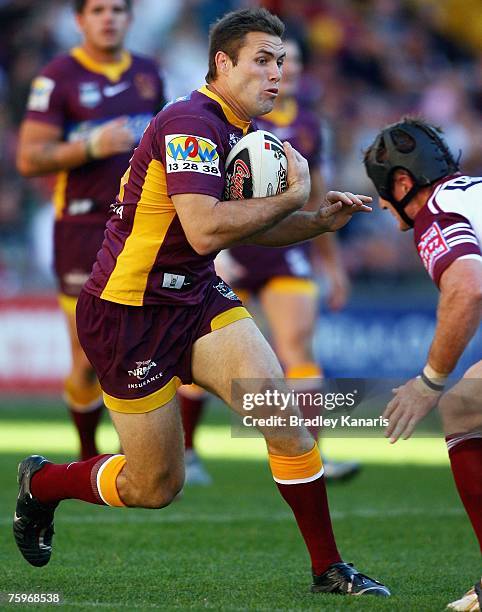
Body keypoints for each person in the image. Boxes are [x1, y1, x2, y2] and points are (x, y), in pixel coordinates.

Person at [13, 8, 390, 598]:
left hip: (196, 298)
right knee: (155, 485)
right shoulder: (190, 121)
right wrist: (292, 194)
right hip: (127, 312)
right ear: (223, 62)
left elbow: (238, 229)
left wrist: (315, 220)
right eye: (262, 61)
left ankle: (329, 569)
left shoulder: (241, 132)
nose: (275, 75)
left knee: (283, 421)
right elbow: (207, 229)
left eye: (280, 62)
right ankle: (44, 483)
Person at [179, 35, 359, 484]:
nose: (283, 70)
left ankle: (313, 452)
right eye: (273, 61)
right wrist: (217, 253)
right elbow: (202, 197)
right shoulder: (226, 121)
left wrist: (332, 265)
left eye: (288, 61)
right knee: (194, 353)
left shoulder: (313, 127)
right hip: (230, 246)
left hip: (285, 250)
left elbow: (318, 199)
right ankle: (184, 451)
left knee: (297, 345)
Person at [16, 0, 165, 460]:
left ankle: (137, 453)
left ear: (130, 18)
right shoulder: (58, 78)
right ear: (79, 20)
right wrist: (89, 145)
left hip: (139, 226)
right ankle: (86, 454)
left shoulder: (149, 74)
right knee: (87, 358)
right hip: (82, 229)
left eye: (117, 9)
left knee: (144, 346)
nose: (108, 18)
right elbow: (28, 158)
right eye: (98, 10)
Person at [364, 117, 482, 611]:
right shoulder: (471, 190)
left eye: (383, 194)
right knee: (467, 407)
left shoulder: (436, 211)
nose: (389, 214)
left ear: (403, 182)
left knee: (453, 401)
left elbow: (467, 288)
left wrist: (428, 381)